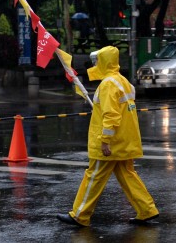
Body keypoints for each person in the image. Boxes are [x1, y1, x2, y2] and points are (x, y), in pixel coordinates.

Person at [57, 46, 159, 227]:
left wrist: (105, 141)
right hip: (124, 141)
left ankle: (79, 215)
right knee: (128, 174)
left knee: (94, 176)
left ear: (105, 62)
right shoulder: (122, 81)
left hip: (111, 144)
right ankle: (147, 210)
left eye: (97, 61)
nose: (95, 64)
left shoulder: (108, 84)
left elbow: (111, 115)